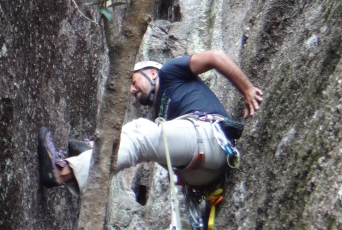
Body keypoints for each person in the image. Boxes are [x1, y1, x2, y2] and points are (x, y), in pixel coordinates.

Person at [39, 50, 263, 193]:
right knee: (142, 135)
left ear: (152, 73)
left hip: (213, 139)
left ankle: (62, 172)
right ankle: (92, 151)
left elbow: (215, 57)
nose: (131, 89)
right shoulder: (161, 118)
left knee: (139, 131)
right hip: (200, 175)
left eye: (134, 80)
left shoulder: (169, 72)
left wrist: (247, 90)